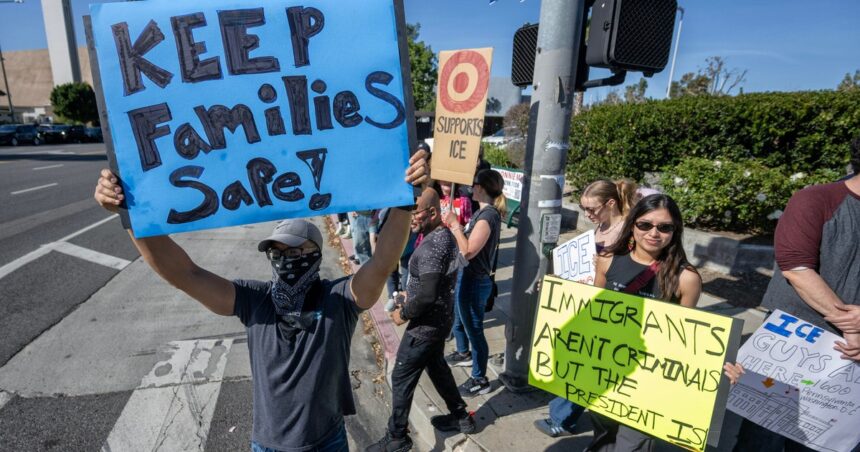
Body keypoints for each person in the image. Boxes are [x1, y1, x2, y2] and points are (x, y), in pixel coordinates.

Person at [93, 150, 429, 452]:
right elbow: (185, 274)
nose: (285, 259)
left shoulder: (338, 299)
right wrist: (129, 215)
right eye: (277, 252)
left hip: (327, 442)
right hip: (267, 446)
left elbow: (381, 263)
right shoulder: (255, 301)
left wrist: (405, 200)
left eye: (295, 251)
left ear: (316, 255)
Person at [728, 138, 860, 452]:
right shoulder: (815, 199)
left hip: (849, 366)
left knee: (828, 443)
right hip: (794, 350)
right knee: (762, 440)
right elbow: (796, 267)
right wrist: (853, 326)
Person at [586, 194, 703, 452]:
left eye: (664, 227)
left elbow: (689, 339)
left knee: (631, 446)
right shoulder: (607, 260)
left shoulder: (686, 278)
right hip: (604, 374)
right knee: (602, 440)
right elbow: (593, 313)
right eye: (645, 224)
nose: (654, 233)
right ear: (633, 225)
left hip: (648, 384)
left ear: (675, 231)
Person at [367, 188, 476, 452]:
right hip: (439, 322)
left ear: (433, 212)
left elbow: (427, 295)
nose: (412, 218)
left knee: (401, 375)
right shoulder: (440, 237)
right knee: (437, 368)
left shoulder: (433, 246)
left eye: (416, 213)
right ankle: (461, 417)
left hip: (426, 327)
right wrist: (410, 293)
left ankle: (397, 437)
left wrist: (402, 313)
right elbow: (432, 284)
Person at [534, 178, 639, 439]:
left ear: (611, 203)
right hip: (590, 304)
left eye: (591, 209)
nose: (587, 214)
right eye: (583, 208)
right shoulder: (602, 226)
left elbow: (634, 269)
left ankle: (563, 418)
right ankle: (564, 415)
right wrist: (558, 281)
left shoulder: (630, 232)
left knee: (588, 366)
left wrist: (606, 265)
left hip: (613, 309)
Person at [444, 169, 507, 396]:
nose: (471, 188)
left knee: (475, 332)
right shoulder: (483, 212)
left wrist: (455, 226)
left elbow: (469, 251)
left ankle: (480, 379)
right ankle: (464, 354)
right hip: (468, 277)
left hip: (474, 280)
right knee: (460, 321)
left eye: (474, 185)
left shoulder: (488, 216)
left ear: (480, 188)